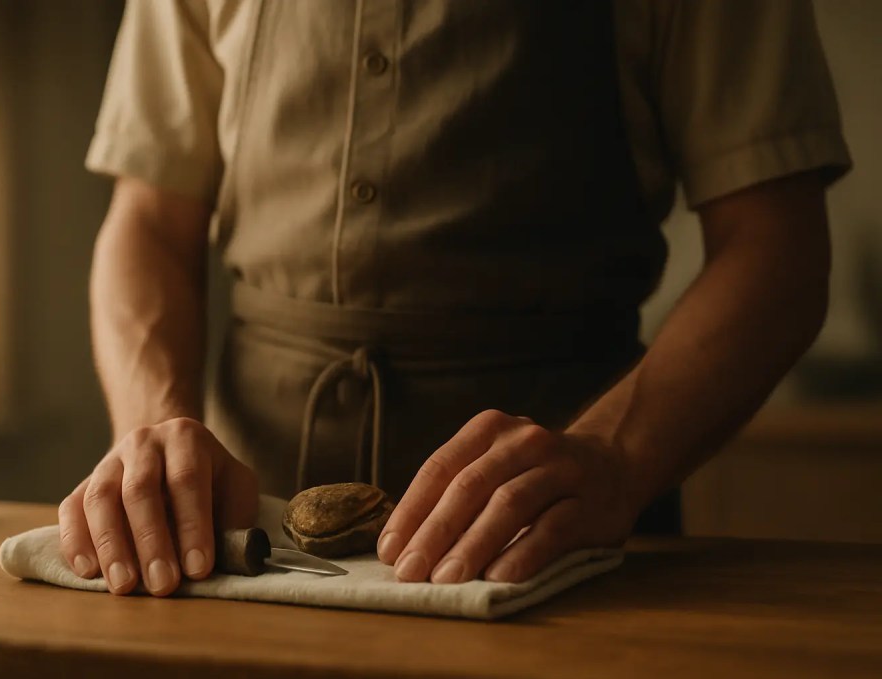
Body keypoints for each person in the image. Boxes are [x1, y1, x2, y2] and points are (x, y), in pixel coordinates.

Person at [58, 0, 851, 596]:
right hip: (242, 540)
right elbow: (152, 220)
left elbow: (776, 249)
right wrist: (152, 431)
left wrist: (614, 456)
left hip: (560, 541)